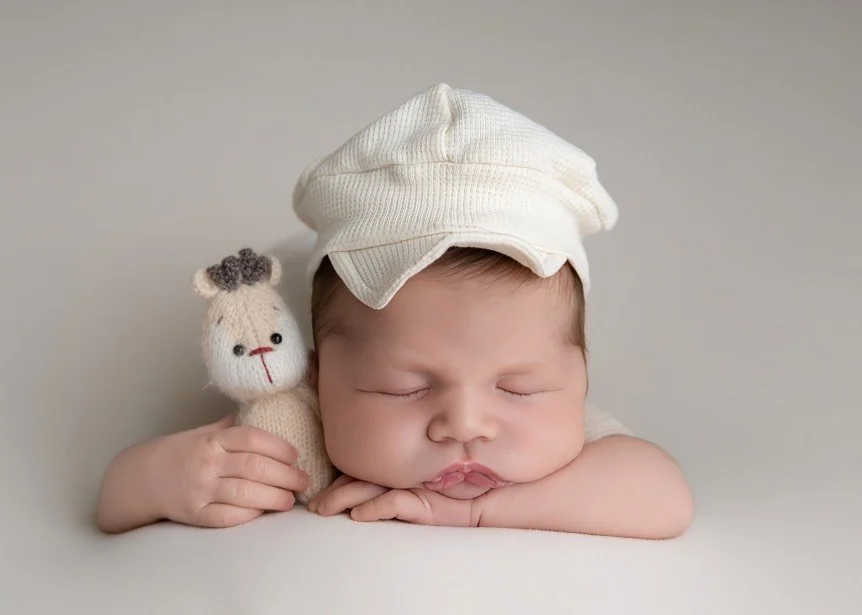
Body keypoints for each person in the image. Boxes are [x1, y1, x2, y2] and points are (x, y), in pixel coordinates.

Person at [96, 83, 694, 538]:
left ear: (579, 377)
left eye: (518, 388)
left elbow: (664, 498)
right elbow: (113, 503)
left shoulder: (577, 447)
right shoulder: (304, 432)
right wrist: (162, 477)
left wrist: (481, 510)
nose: (464, 424)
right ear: (320, 376)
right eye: (402, 389)